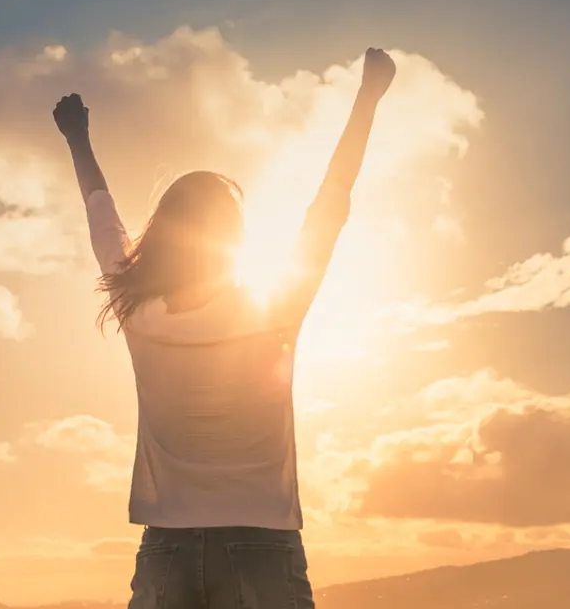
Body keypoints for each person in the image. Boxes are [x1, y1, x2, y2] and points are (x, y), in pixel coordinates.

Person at [53, 47, 397, 609]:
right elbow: (331, 201)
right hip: (262, 546)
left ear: (162, 234)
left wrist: (76, 138)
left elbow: (102, 215)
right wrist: (367, 97)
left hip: (166, 551)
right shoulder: (275, 309)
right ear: (232, 240)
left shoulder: (138, 311)